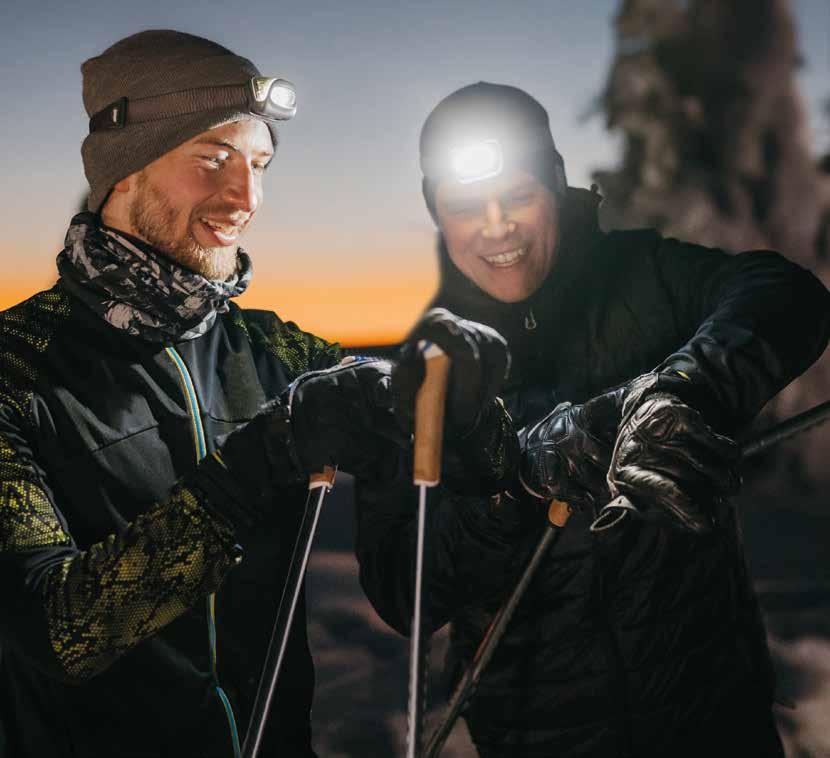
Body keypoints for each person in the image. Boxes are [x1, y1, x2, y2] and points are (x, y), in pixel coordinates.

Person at [0, 31, 518, 758]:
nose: (246, 197)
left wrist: (469, 424)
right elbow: (56, 634)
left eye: (260, 165)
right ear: (125, 169)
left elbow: (419, 589)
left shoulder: (279, 354)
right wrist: (260, 459)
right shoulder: (16, 367)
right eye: (213, 159)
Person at [356, 82, 830, 757]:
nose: (497, 226)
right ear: (438, 213)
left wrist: (687, 390)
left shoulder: (644, 276)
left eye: (518, 196)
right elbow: (401, 591)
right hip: (540, 739)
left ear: (555, 183)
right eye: (465, 207)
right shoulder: (427, 373)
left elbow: (782, 292)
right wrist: (519, 482)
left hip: (713, 717)